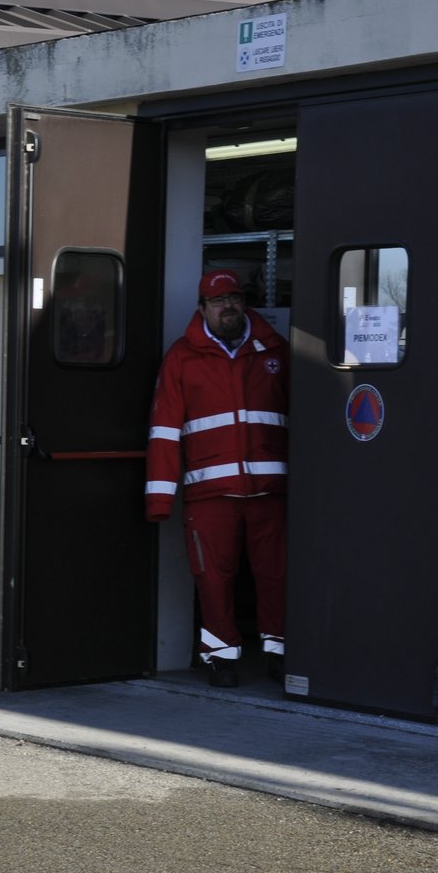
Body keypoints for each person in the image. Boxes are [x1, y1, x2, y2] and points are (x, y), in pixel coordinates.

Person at [145, 269, 288, 689]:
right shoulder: (182, 358)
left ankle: (279, 653)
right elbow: (165, 431)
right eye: (219, 300)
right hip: (209, 495)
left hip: (270, 492)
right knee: (214, 577)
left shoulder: (274, 351)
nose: (229, 307)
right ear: (203, 308)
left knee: (275, 573)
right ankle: (220, 656)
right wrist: (159, 498)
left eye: (235, 298)